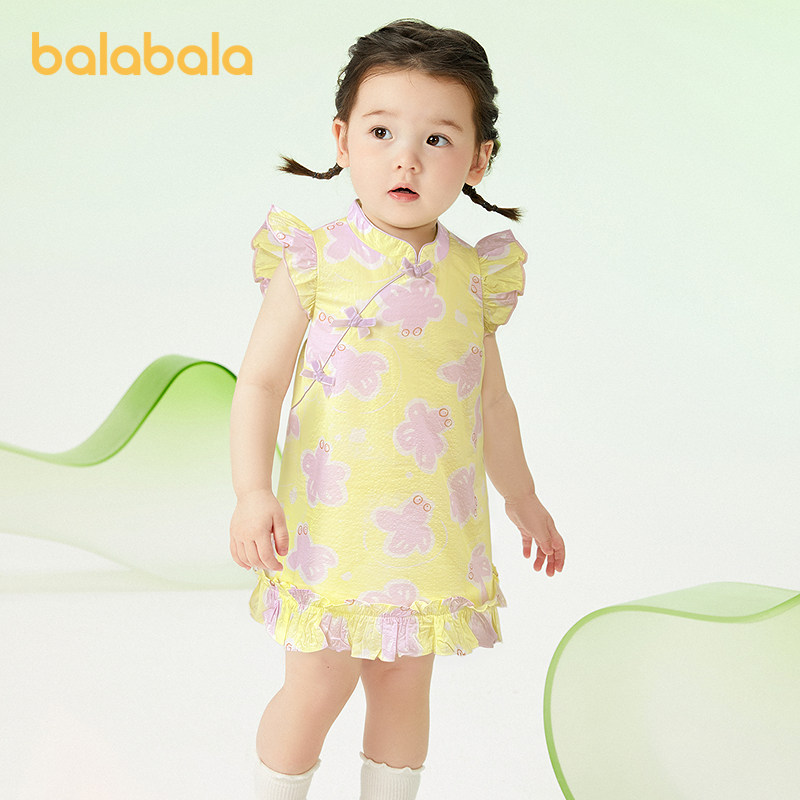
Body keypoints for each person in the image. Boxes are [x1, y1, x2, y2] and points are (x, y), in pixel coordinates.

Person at [229, 18, 566, 800]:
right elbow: (260, 383)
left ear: (478, 159)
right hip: (330, 527)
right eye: (381, 131)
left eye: (437, 139)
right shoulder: (314, 259)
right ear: (343, 140)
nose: (405, 158)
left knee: (404, 685)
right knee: (318, 684)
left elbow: (491, 401)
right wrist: (251, 490)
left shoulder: (473, 277)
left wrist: (522, 497)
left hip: (431, 528)